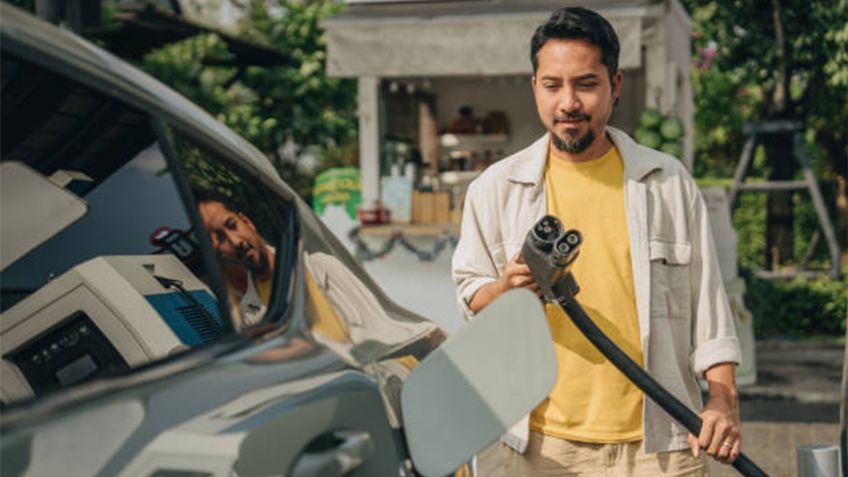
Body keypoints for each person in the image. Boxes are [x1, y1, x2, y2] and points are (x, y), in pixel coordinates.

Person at [451, 7, 742, 476]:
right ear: (535, 88)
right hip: (535, 445)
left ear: (616, 85)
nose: (568, 102)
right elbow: (470, 295)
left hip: (658, 446)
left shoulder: (666, 182)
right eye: (552, 85)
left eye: (585, 84)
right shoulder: (495, 188)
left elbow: (710, 311)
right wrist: (508, 288)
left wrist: (724, 403)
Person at [196, 191, 275, 327]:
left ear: (247, 222)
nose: (235, 242)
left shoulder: (316, 266)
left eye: (232, 225)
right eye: (221, 238)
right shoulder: (248, 316)